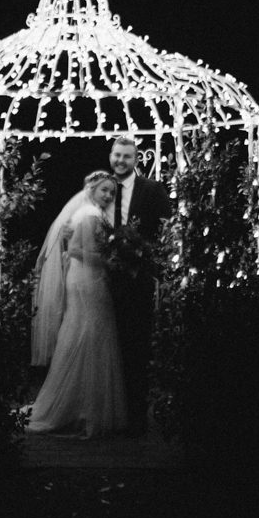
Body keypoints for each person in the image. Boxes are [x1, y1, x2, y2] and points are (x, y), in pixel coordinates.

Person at [28, 171, 127, 439]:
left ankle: (80, 406)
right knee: (92, 335)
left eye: (112, 192)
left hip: (81, 277)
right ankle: (87, 411)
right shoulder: (91, 215)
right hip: (88, 280)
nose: (108, 195)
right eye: (104, 190)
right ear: (92, 189)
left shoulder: (84, 213)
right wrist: (114, 261)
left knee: (84, 333)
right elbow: (80, 252)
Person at [106, 135, 170, 437]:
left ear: (136, 160)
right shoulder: (100, 189)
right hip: (102, 281)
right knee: (106, 348)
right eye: (117, 155)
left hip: (137, 281)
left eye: (127, 156)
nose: (120, 161)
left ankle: (135, 416)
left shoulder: (152, 189)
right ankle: (107, 412)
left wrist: (144, 256)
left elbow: (164, 230)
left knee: (136, 348)